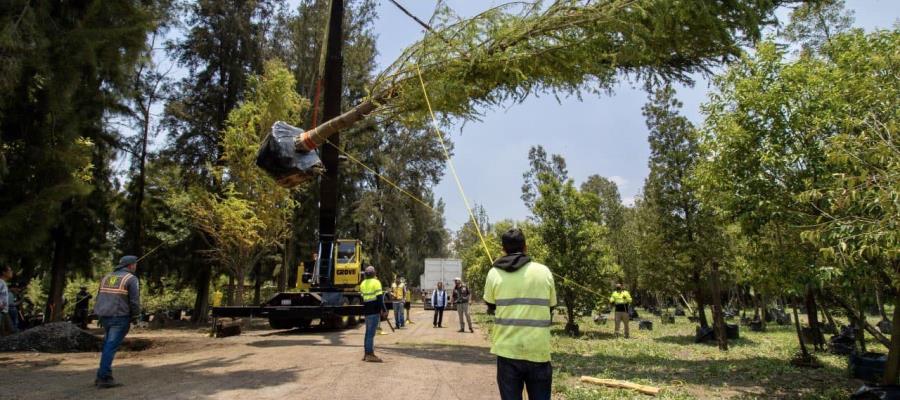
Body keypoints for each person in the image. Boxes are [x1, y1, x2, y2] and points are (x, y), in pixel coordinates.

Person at [484, 228, 557, 400]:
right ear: (526, 247)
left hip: (507, 351)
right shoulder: (544, 271)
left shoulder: (494, 273)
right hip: (538, 351)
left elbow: (490, 305)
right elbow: (551, 306)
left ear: (503, 249)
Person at [93, 255, 141, 388]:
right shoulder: (131, 279)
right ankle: (104, 378)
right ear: (130, 265)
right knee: (110, 346)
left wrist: (99, 314)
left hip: (104, 316)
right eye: (135, 264)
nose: (136, 266)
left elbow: (99, 296)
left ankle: (100, 375)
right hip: (119, 317)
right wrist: (136, 316)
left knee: (108, 345)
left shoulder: (107, 277)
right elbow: (134, 301)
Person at [360, 266, 386, 362]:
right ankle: (370, 354)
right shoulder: (376, 282)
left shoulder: (362, 284)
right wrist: (383, 310)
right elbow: (379, 299)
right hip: (374, 311)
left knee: (368, 333)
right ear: (373, 273)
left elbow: (363, 298)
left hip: (367, 311)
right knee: (371, 334)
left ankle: (366, 354)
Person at [0, 266, 13, 336]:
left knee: (10, 331)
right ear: (4, 272)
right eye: (10, 270)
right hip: (1, 311)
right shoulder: (0, 282)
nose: (11, 272)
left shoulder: (3, 283)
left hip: (4, 311)